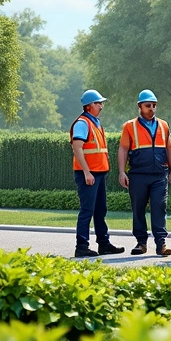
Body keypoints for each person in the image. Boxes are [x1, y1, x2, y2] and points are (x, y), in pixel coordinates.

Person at [118, 89, 171, 256]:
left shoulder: (164, 125)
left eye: (154, 105)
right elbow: (123, 149)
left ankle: (161, 244)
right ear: (140, 106)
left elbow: (170, 148)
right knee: (138, 208)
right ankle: (141, 243)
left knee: (159, 206)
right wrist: (122, 172)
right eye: (148, 105)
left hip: (159, 174)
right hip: (138, 174)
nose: (152, 108)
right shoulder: (129, 126)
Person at [70, 90, 125, 257]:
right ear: (88, 106)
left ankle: (104, 244)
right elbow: (77, 148)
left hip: (99, 173)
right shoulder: (82, 123)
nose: (101, 106)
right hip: (89, 174)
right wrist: (87, 172)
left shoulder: (95, 123)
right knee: (87, 210)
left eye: (101, 103)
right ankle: (81, 247)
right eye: (97, 103)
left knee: (100, 210)